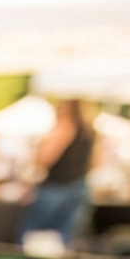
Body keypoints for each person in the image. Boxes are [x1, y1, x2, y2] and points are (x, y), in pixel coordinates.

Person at [22, 99, 95, 248]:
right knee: (66, 235)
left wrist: (38, 149)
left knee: (34, 231)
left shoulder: (65, 127)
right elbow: (95, 161)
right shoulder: (89, 131)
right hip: (79, 185)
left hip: (57, 186)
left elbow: (46, 158)